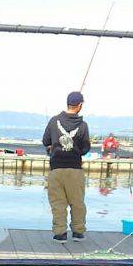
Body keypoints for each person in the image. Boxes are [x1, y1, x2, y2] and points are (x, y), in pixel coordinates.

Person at [42, 91, 90, 242]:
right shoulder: (82, 125)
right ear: (80, 105)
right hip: (75, 169)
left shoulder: (54, 120)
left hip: (56, 168)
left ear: (67, 104)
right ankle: (78, 232)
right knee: (77, 203)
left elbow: (45, 141)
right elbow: (85, 148)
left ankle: (60, 233)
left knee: (58, 204)